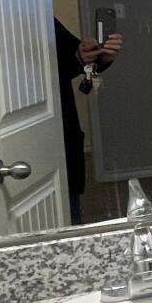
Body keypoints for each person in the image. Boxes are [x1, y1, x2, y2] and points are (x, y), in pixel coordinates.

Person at [54, 21, 123, 224]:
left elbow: (75, 56)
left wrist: (101, 58)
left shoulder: (42, 18)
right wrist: (76, 59)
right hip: (39, 137)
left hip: (64, 137)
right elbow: (36, 75)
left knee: (69, 215)